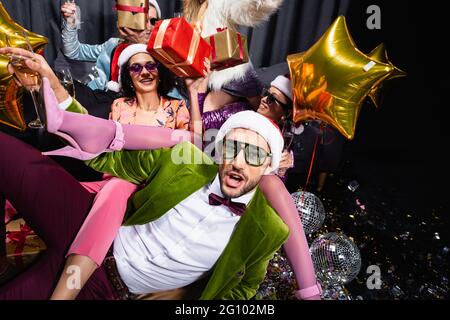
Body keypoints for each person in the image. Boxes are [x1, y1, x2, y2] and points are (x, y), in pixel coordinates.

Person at [0, 77, 304, 299]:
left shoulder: (269, 230)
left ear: (268, 166)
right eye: (232, 149)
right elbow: (112, 153)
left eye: (252, 155)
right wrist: (57, 102)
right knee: (10, 154)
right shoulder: (182, 161)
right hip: (90, 230)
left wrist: (185, 300)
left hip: (106, 291)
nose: (237, 162)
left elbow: (244, 289)